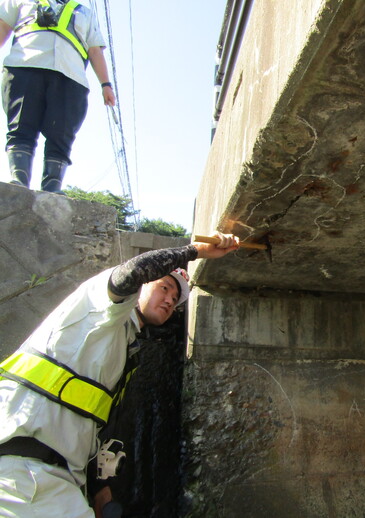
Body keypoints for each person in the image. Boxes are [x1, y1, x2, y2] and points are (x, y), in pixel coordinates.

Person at [0, 232, 239, 517]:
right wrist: (194, 251)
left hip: (57, 481)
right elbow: (132, 272)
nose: (169, 301)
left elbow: (90, 426)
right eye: (164, 288)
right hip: (21, 475)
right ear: (142, 287)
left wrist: (99, 487)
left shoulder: (124, 347)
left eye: (175, 298)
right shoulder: (100, 309)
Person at [0, 0, 116, 194]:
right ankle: (18, 180)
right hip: (24, 66)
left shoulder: (84, 13)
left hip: (70, 76)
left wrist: (106, 85)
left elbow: (95, 50)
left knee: (61, 134)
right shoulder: (20, 1)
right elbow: (3, 28)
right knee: (21, 126)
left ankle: (52, 187)